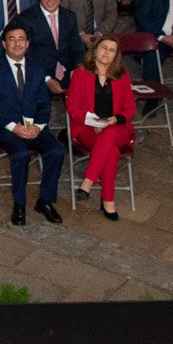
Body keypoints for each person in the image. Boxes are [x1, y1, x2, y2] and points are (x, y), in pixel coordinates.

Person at [0, 22, 65, 226]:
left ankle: (45, 200)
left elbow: (44, 103)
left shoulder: (37, 69)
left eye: (21, 39)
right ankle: (19, 203)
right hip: (4, 129)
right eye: (12, 39)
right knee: (21, 154)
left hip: (33, 127)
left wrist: (38, 127)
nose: (17, 43)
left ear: (27, 44)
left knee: (56, 152)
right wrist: (13, 126)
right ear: (4, 44)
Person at [68, 35, 137, 220]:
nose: (107, 52)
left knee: (110, 132)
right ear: (95, 50)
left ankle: (88, 181)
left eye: (112, 50)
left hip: (117, 127)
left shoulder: (122, 75)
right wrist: (92, 122)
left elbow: (130, 107)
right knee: (112, 151)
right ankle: (108, 200)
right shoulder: (80, 73)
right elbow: (72, 106)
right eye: (104, 48)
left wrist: (115, 119)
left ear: (116, 55)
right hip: (87, 128)